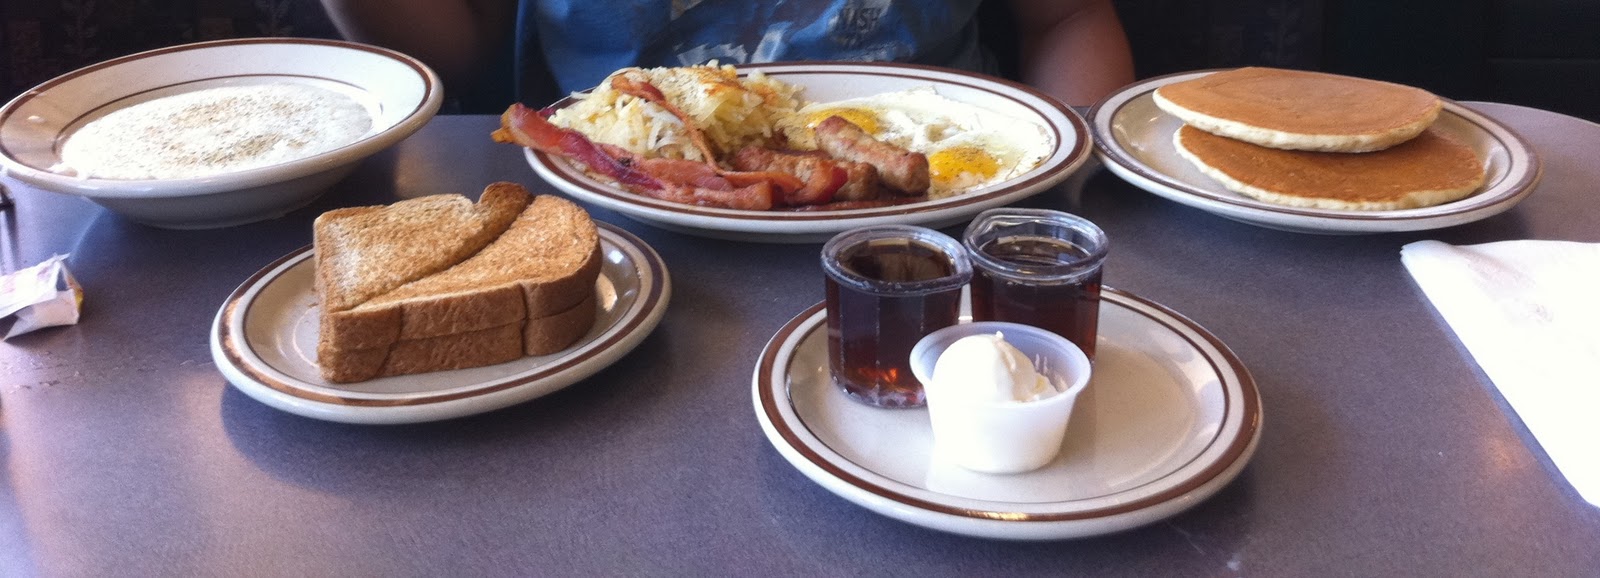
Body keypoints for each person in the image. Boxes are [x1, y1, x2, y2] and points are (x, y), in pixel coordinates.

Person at [319, 0, 1133, 110]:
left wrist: (1071, 202)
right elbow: (465, 58)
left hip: (948, 200)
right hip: (635, 222)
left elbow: (1065, 20)